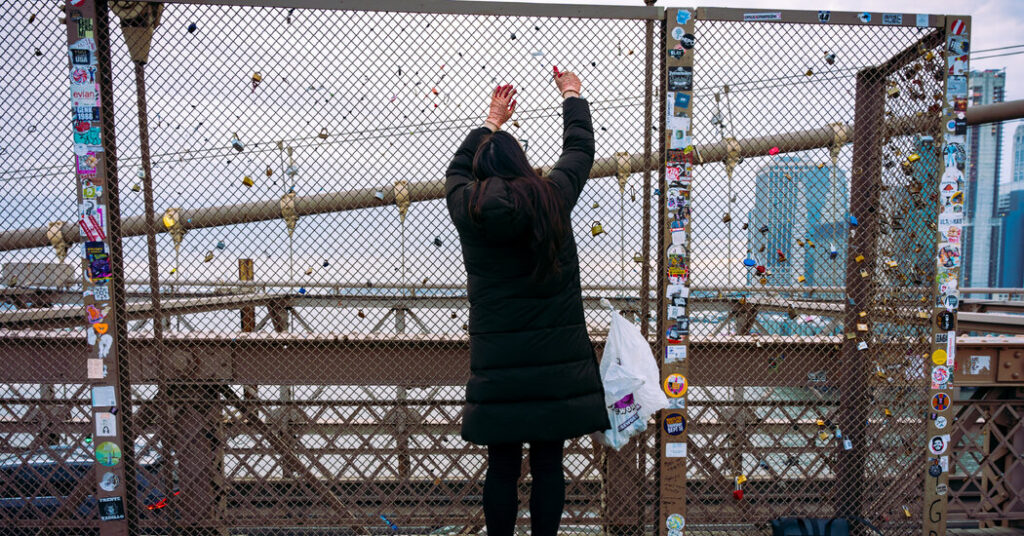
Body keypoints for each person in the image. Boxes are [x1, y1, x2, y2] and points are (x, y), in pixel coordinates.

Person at [444, 67, 610, 536]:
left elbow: (456, 168)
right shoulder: (552, 198)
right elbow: (579, 151)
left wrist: (492, 120)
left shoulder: (467, 207)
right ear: (521, 164)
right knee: (548, 464)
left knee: (502, 468)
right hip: (556, 362)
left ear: (480, 168)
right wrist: (572, 95)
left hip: (498, 364)